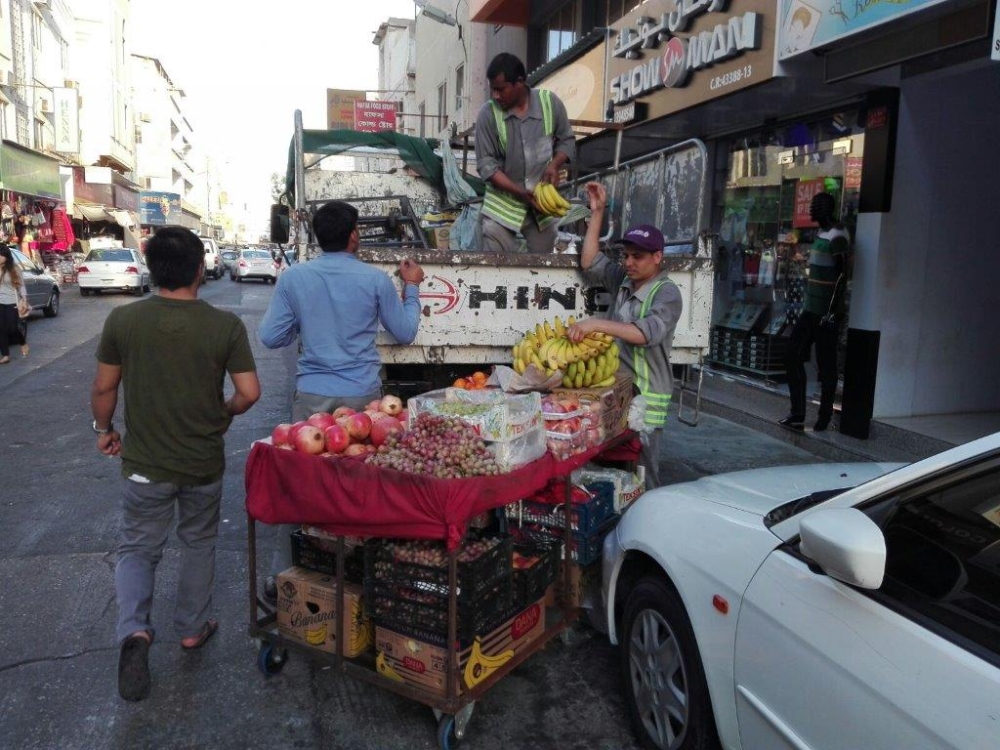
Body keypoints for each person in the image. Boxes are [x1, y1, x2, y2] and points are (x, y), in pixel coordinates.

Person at [90, 227, 260, 702]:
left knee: (138, 548)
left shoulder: (123, 321)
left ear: (151, 268)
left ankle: (135, 632)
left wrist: (103, 430)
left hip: (145, 464)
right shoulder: (225, 326)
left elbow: (104, 388)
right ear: (200, 270)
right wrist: (224, 412)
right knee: (199, 542)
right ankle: (190, 628)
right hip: (202, 461)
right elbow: (249, 393)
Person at [258, 200, 425, 590]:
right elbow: (405, 332)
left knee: (300, 486)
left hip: (311, 401)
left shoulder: (294, 279)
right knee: (359, 488)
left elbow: (271, 336)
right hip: (363, 402)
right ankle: (361, 577)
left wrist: (305, 327)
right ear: (354, 235)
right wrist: (413, 287)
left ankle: (283, 575)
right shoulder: (375, 281)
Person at [567, 183, 683, 489]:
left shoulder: (666, 293)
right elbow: (590, 261)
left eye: (638, 257)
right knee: (613, 477)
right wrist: (598, 212)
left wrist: (596, 324)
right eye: (626, 255)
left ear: (658, 257)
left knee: (643, 479)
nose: (628, 262)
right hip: (619, 396)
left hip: (645, 403)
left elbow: (645, 334)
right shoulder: (624, 281)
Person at [475, 52, 576, 254]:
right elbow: (487, 165)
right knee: (495, 261)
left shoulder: (550, 103)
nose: (495, 95)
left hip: (541, 204)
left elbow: (567, 140)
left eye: (500, 89)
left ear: (519, 83)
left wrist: (554, 165)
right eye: (492, 90)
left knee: (543, 266)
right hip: (502, 204)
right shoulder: (487, 114)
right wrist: (520, 192)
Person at [779, 191, 851, 432]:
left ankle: (824, 415)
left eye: (816, 207)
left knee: (826, 365)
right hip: (810, 310)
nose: (813, 211)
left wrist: (831, 311)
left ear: (825, 210)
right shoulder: (822, 233)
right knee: (792, 355)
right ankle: (797, 413)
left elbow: (842, 274)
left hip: (825, 313)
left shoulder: (838, 235)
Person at [0, 245, 29, 363]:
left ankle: (22, 343)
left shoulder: (13, 268)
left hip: (12, 301)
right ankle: (5, 355)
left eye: (1, 255)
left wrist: (25, 300)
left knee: (12, 328)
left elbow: (21, 286)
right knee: (0, 329)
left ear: (7, 256)